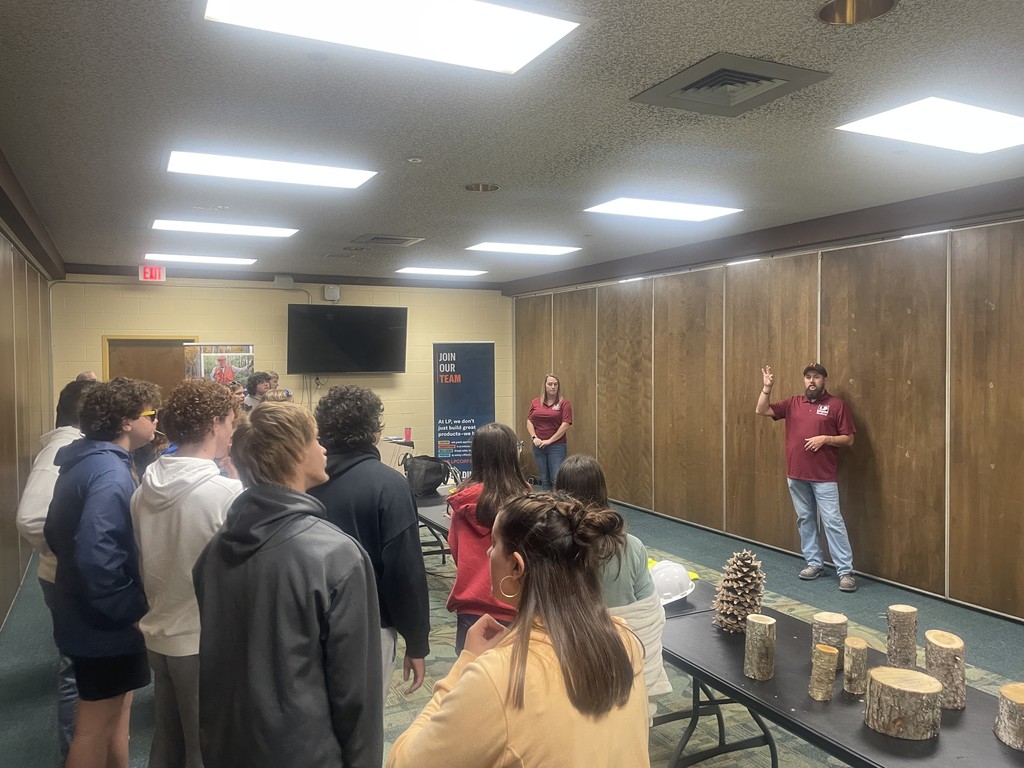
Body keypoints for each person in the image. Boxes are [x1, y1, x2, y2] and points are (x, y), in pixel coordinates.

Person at [386, 493, 650, 768]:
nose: (488, 553)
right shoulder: (624, 637)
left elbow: (403, 762)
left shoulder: (499, 677)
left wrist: (466, 664)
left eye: (494, 544)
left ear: (516, 566)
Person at [192, 402, 383, 768]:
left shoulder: (213, 551)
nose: (324, 448)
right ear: (296, 453)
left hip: (226, 747)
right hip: (307, 754)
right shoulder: (336, 555)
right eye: (315, 439)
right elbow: (356, 696)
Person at [44, 377, 161, 768]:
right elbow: (98, 556)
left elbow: (54, 532)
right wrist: (130, 611)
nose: (156, 421)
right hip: (104, 623)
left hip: (82, 611)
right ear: (127, 422)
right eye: (151, 414)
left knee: (115, 720)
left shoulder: (85, 460)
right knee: (92, 732)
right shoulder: (110, 475)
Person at [131, 379, 242, 768]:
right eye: (229, 421)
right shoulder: (227, 496)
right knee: (206, 750)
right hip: (201, 642)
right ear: (214, 424)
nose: (233, 431)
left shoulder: (143, 488)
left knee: (168, 741)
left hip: (159, 635)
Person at [309, 385, 431, 699]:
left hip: (304, 624)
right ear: (374, 433)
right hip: (367, 630)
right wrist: (416, 642)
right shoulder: (389, 485)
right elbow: (404, 572)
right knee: (361, 730)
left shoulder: (300, 480)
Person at [16, 378, 98, 761]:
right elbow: (31, 518)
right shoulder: (62, 449)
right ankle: (73, 753)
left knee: (76, 662)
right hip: (65, 576)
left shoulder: (72, 444)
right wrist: (74, 557)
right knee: (73, 668)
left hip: (66, 572)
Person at [553, 454, 670, 714]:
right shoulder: (632, 545)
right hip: (625, 658)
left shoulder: (553, 548)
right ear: (602, 491)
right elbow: (648, 614)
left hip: (569, 663)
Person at [756, 363, 858, 592]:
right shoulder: (793, 403)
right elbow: (762, 410)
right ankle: (814, 563)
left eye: (817, 377)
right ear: (804, 380)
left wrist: (826, 439)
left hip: (824, 477)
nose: (812, 381)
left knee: (833, 521)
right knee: (805, 519)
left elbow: (849, 439)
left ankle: (846, 571)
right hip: (796, 475)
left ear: (824, 380)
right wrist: (767, 387)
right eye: (808, 377)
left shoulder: (837, 405)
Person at [446, 423, 530, 654]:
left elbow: (455, 550)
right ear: (512, 455)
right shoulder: (526, 504)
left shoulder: (461, 502)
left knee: (470, 681)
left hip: (471, 609)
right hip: (516, 608)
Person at [526, 374, 572, 489]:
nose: (553, 387)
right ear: (545, 386)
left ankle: (560, 504)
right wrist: (534, 437)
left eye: (555, 384)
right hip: (539, 446)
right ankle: (547, 504)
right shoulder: (535, 402)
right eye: (550, 384)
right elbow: (529, 421)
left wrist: (549, 441)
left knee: (556, 479)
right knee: (545, 479)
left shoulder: (564, 403)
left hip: (557, 446)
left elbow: (565, 425)